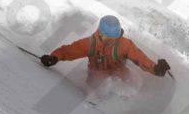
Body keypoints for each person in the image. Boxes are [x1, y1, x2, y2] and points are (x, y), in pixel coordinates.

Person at [40, 15, 171, 92]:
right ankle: (100, 100)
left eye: (114, 38)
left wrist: (156, 69)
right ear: (100, 34)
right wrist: (54, 57)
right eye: (108, 38)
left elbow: (139, 58)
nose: (111, 42)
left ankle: (133, 103)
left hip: (120, 71)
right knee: (103, 85)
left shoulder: (125, 44)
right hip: (96, 75)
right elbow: (69, 51)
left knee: (135, 81)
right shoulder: (90, 44)